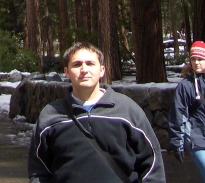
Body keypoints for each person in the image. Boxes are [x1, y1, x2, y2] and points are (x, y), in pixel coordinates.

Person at [28, 41, 166, 183]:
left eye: (90, 64)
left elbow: (152, 165)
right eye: (77, 64)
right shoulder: (51, 114)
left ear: (102, 70)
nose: (84, 69)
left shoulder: (127, 110)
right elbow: (39, 171)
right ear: (67, 72)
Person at [169, 40, 205, 183]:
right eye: (193, 59)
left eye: (200, 59)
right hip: (197, 141)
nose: (196, 63)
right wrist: (177, 143)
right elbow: (178, 114)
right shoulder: (185, 86)